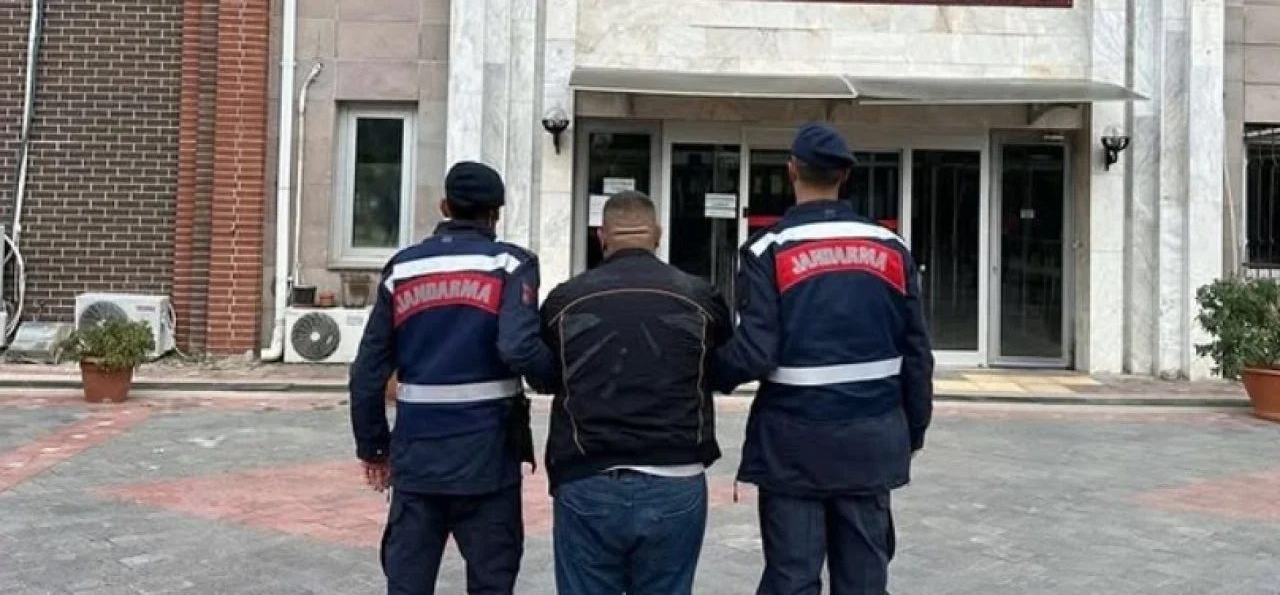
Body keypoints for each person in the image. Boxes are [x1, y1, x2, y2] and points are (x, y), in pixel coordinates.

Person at [711, 123, 935, 595]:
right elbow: (917, 353)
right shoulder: (892, 248)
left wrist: (704, 372)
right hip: (871, 440)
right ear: (845, 175)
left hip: (794, 445)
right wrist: (911, 429)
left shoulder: (767, 248)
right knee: (864, 580)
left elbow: (755, 352)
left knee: (792, 578)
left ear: (791, 170)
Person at [349, 161, 557, 595]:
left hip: (417, 456)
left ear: (444, 206)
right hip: (488, 458)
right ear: (495, 213)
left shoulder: (402, 269)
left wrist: (374, 448)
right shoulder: (509, 264)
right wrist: (554, 378)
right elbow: (518, 347)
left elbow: (367, 370)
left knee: (407, 583)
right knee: (492, 583)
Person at [539, 190, 732, 595]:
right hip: (675, 478)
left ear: (601, 236)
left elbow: (544, 372)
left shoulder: (565, 299)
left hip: (587, 477)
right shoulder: (700, 296)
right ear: (657, 234)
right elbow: (724, 364)